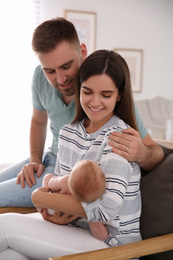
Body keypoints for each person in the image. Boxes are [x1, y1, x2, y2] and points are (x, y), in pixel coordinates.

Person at [0, 17, 164, 208]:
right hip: (49, 157)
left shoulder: (102, 89)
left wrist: (141, 153)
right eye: (50, 71)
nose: (60, 79)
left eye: (66, 66)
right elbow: (38, 121)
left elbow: (155, 151)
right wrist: (35, 160)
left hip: (67, 173)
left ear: (83, 52)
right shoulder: (39, 77)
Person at [0, 50, 142, 259]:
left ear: (119, 95)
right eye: (87, 91)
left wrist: (40, 197)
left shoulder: (119, 138)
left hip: (112, 244)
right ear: (79, 89)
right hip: (73, 230)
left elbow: (106, 211)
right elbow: (56, 195)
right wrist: (54, 209)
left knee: (4, 227)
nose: (95, 102)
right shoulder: (68, 133)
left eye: (106, 94)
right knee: (9, 254)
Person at [42, 160, 108, 241]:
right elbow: (101, 235)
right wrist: (104, 234)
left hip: (53, 209)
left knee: (47, 177)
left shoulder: (65, 181)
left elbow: (50, 183)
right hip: (71, 218)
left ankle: (42, 208)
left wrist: (56, 180)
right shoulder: (92, 210)